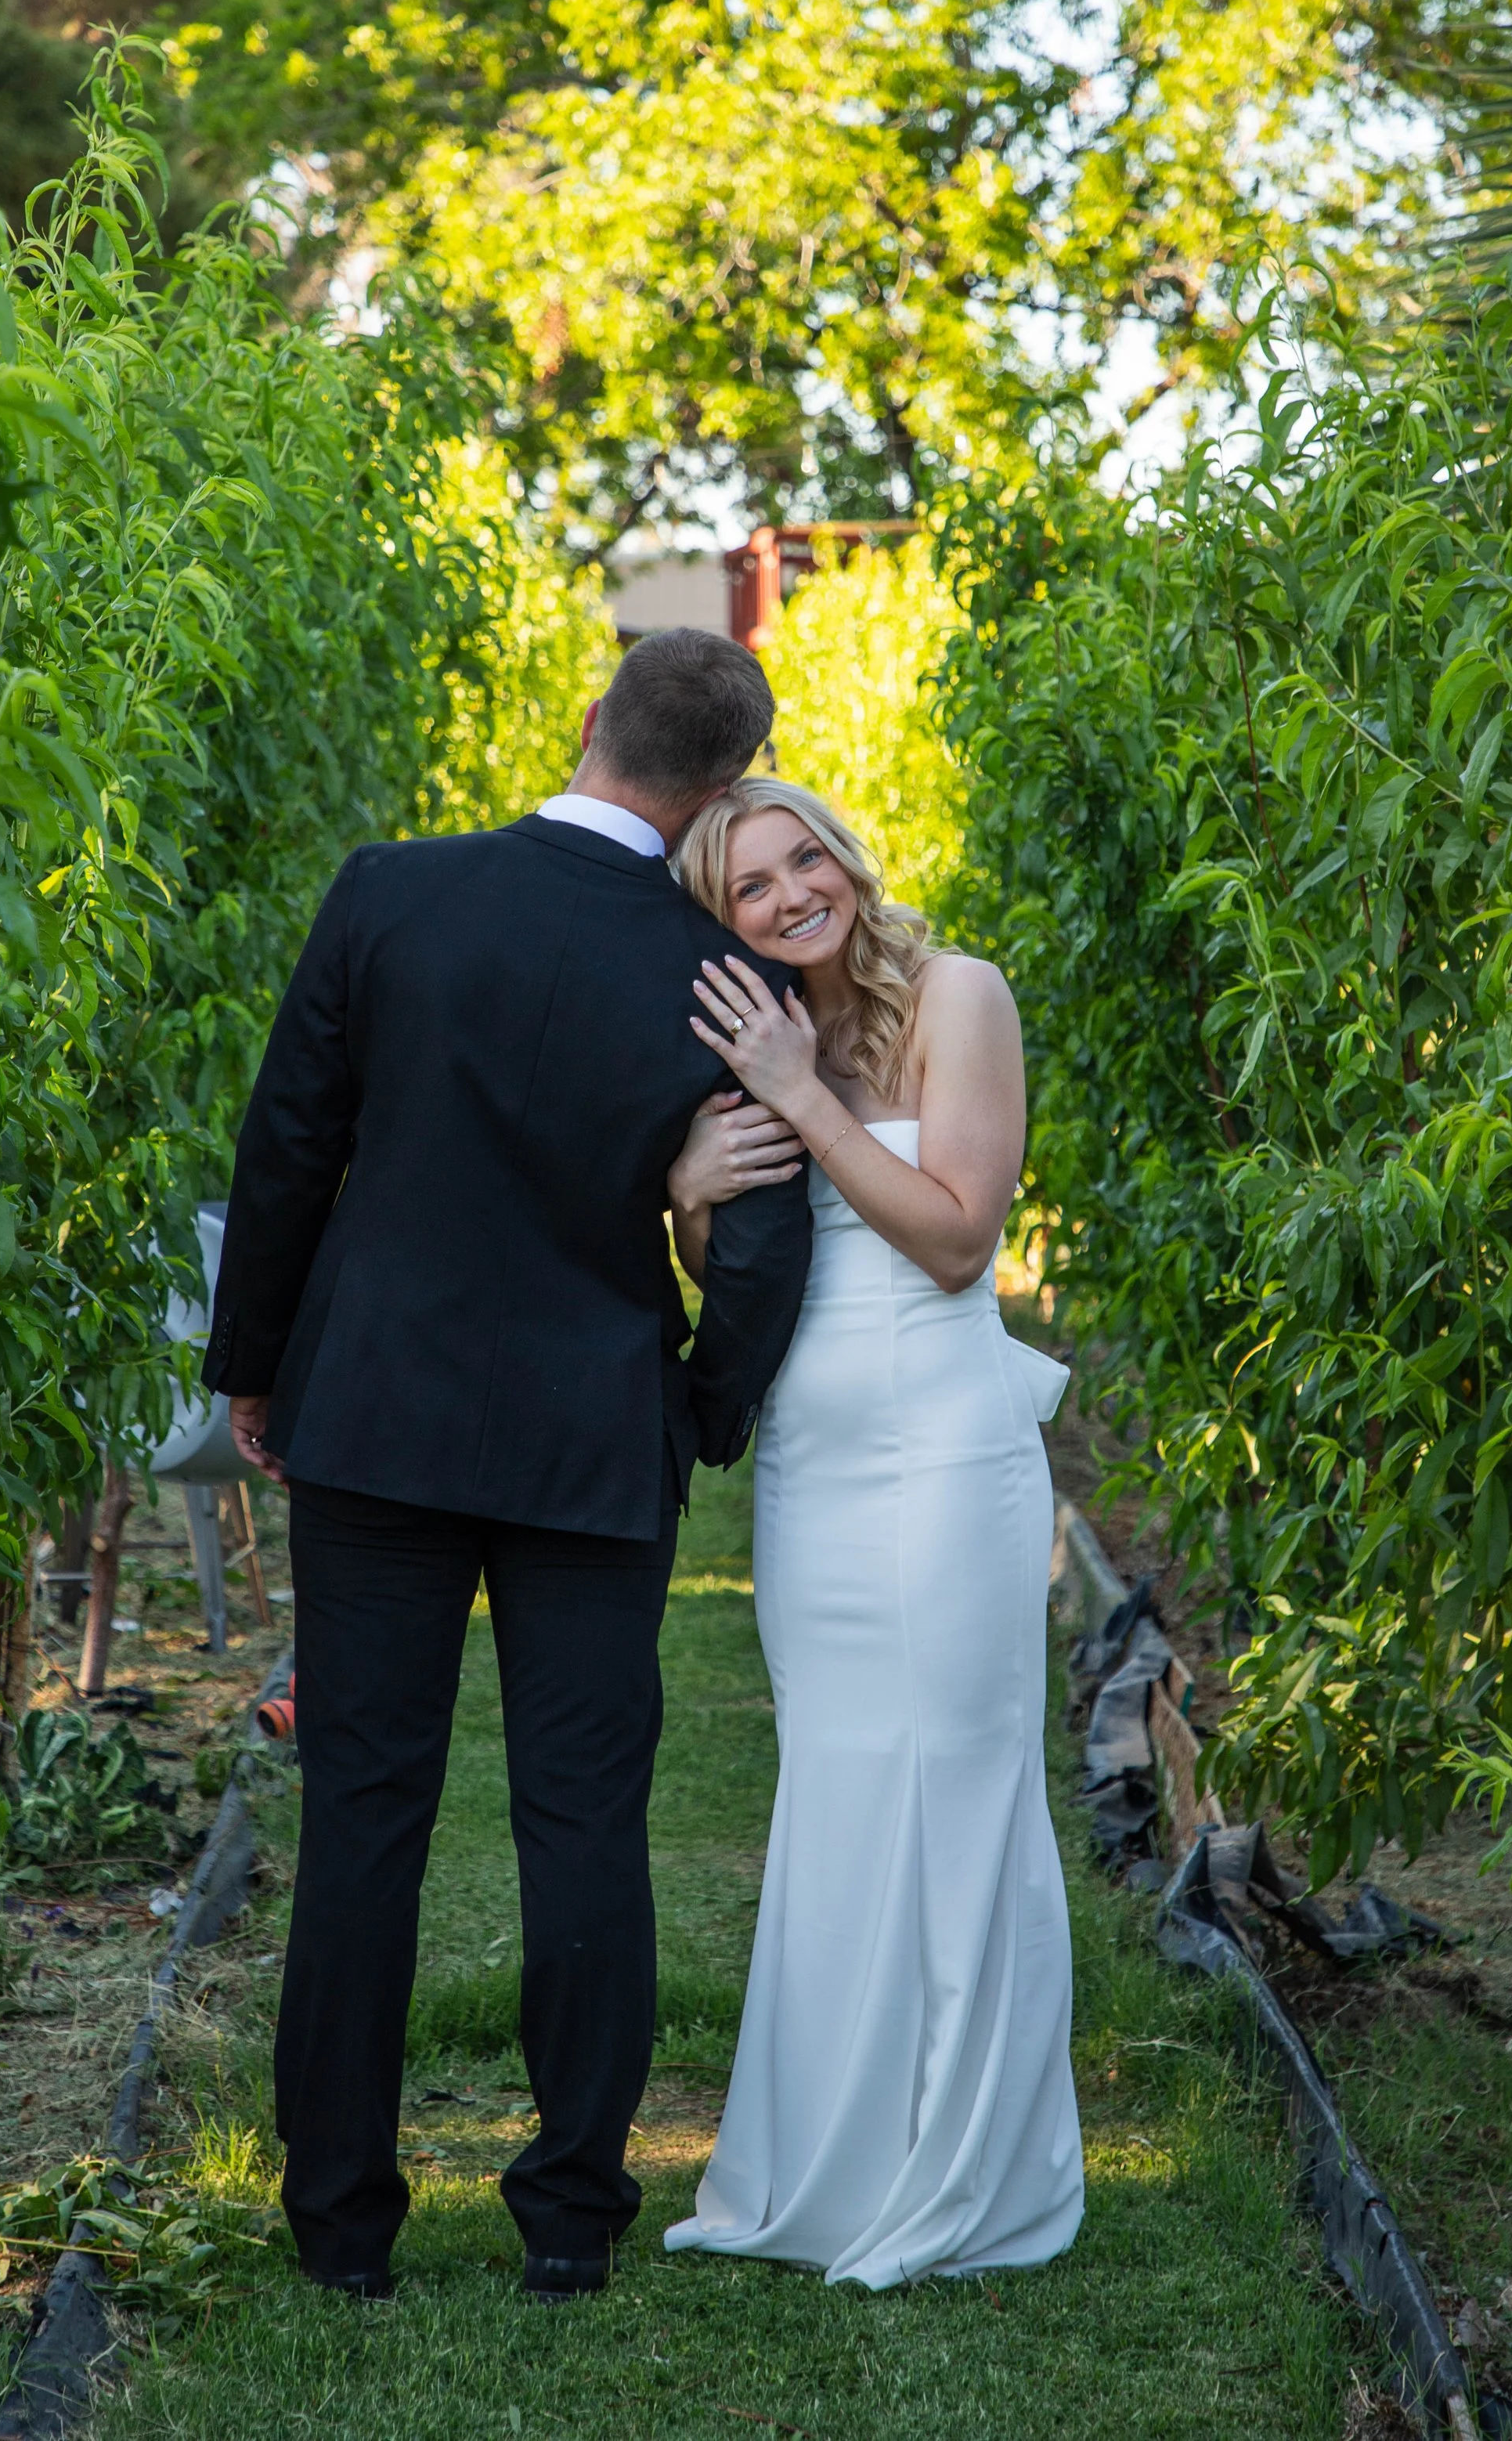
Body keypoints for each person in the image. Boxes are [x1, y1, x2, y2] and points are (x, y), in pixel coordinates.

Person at [202, 633, 814, 2306]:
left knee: (366, 1819)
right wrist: (696, 1404)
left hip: (377, 1420)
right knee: (581, 1824)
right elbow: (755, 1242)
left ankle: (338, 2226)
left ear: (590, 724)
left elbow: (290, 1140)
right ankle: (566, 2217)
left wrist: (255, 1364)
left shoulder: (389, 891)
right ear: (723, 786)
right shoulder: (723, 977)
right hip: (586, 1436)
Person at [660, 776, 1084, 2288]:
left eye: (801, 861)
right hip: (815, 1470)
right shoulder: (755, 1038)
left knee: (959, 1793)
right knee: (837, 1795)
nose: (790, 898)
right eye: (750, 892)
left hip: (947, 1458)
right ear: (723, 927)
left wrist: (801, 1095)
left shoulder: (957, 997)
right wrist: (690, 1198)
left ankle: (971, 2176)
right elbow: (743, 1271)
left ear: (845, 854)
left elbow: (960, 1234)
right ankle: (825, 2171)